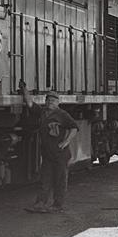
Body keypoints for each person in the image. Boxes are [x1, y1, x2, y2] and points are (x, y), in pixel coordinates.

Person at [20, 82, 78, 213]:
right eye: (48, 100)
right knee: (44, 179)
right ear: (45, 102)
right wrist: (25, 90)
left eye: (53, 100)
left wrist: (66, 142)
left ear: (58, 103)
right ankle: (40, 203)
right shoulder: (42, 113)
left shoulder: (62, 115)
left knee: (60, 180)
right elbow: (30, 103)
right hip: (47, 153)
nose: (50, 102)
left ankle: (58, 205)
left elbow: (74, 128)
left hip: (60, 153)